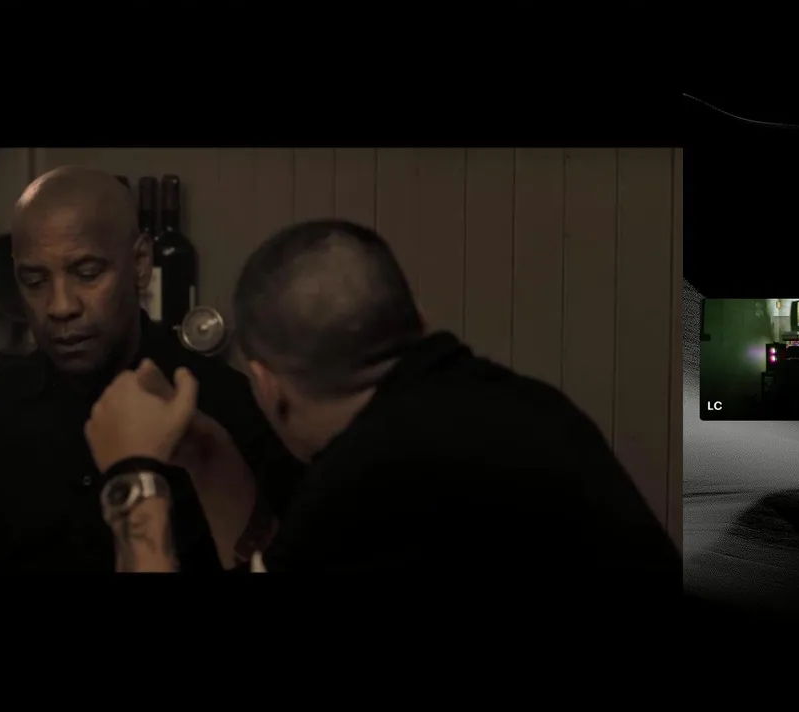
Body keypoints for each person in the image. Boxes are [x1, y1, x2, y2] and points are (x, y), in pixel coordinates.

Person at [85, 219, 681, 586]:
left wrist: (132, 475)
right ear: (417, 317)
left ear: (267, 386)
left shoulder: (369, 478)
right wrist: (207, 454)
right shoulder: (530, 408)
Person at [0, 167, 301, 572]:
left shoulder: (229, 410)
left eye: (87, 274)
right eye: (35, 281)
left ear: (140, 263)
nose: (60, 306)